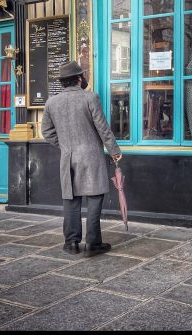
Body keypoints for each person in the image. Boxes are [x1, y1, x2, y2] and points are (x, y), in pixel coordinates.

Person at [41, 60, 122, 256]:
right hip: (91, 156)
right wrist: (115, 152)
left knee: (71, 200)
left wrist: (64, 147)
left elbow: (47, 132)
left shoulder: (51, 102)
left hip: (67, 157)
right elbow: (103, 129)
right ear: (79, 78)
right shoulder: (90, 97)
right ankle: (93, 243)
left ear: (62, 82)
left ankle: (71, 243)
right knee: (94, 199)